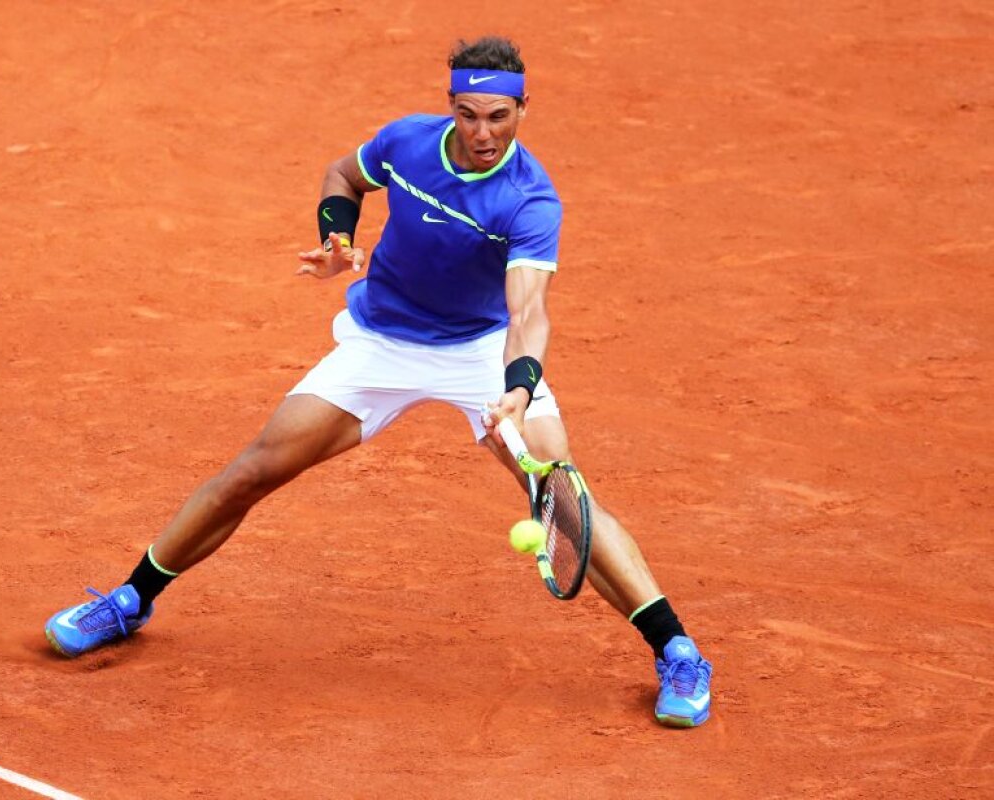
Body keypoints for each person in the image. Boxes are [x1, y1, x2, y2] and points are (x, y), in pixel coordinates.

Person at [45, 36, 713, 728]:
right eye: (468, 114)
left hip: (480, 351)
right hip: (381, 342)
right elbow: (344, 174)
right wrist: (337, 236)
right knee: (252, 471)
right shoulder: (408, 143)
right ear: (450, 106)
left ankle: (679, 651)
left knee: (558, 491)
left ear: (522, 110)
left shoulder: (529, 201)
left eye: (499, 116)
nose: (483, 132)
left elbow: (528, 311)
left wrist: (518, 386)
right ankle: (131, 599)